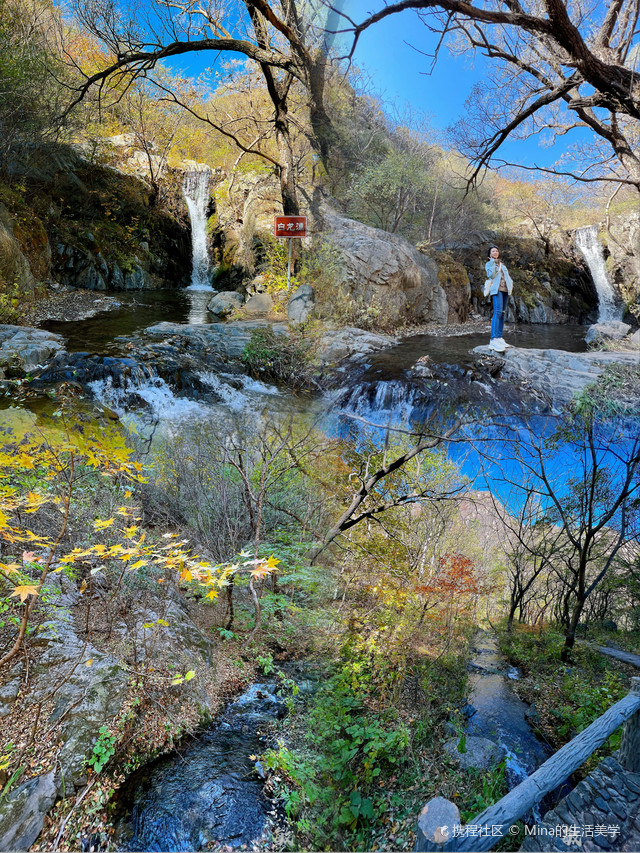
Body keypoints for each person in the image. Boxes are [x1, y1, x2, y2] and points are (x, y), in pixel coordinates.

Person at [485, 246, 513, 352]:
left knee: (502, 313)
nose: (496, 252)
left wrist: (511, 285)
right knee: (497, 312)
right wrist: (492, 262)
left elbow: (507, 277)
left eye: (497, 250)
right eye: (493, 251)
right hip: (496, 290)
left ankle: (500, 337)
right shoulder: (488, 264)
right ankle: (493, 339)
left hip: (505, 290)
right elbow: (490, 275)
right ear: (490, 254)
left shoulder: (502, 265)